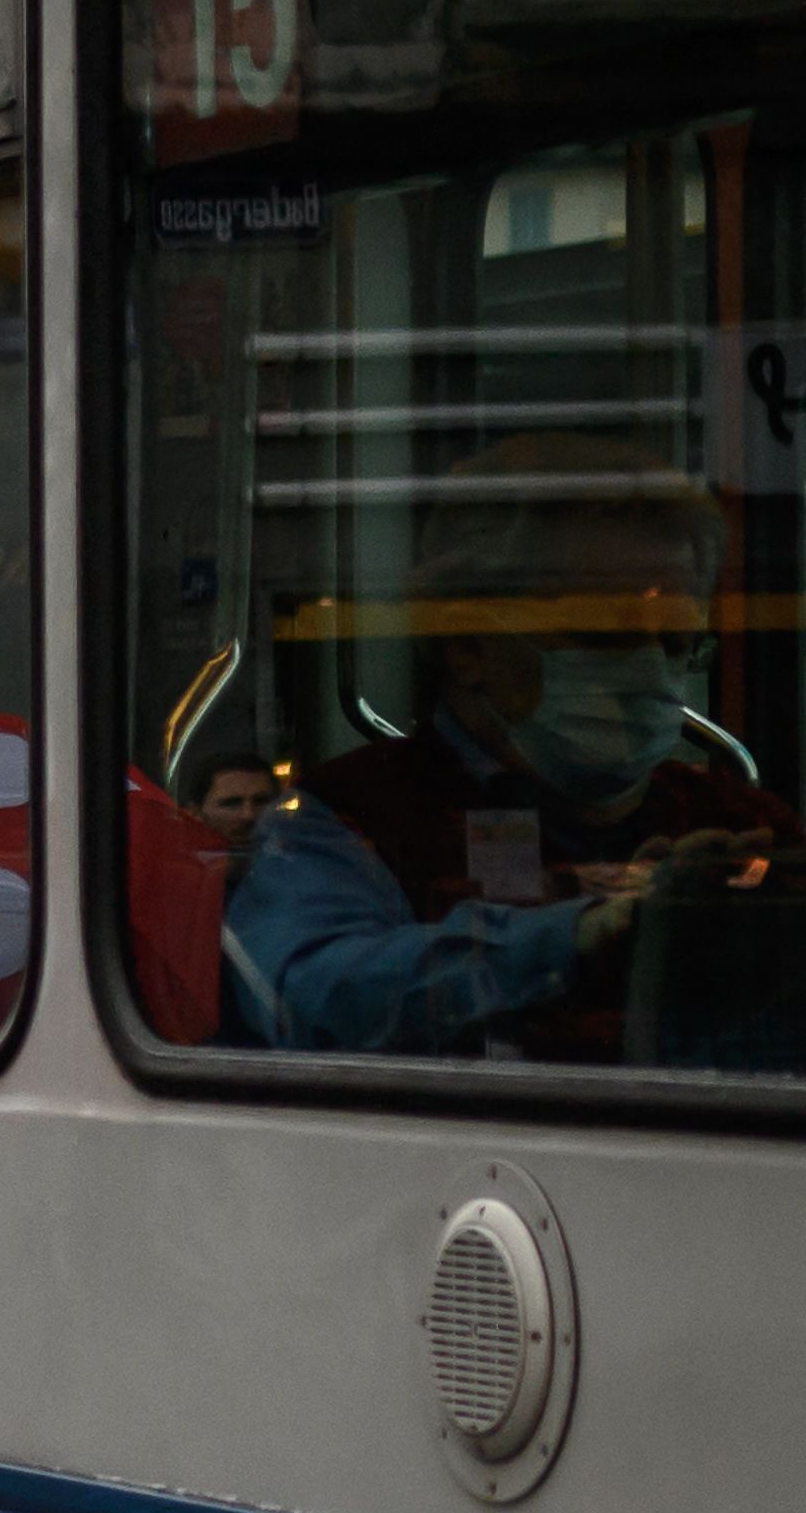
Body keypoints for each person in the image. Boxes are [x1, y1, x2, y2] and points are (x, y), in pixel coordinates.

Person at [227, 439, 800, 1059]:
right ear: (468, 643)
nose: (647, 675)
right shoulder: (347, 822)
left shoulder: (743, 828)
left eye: (676, 644)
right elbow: (303, 998)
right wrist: (584, 936)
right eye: (601, 635)